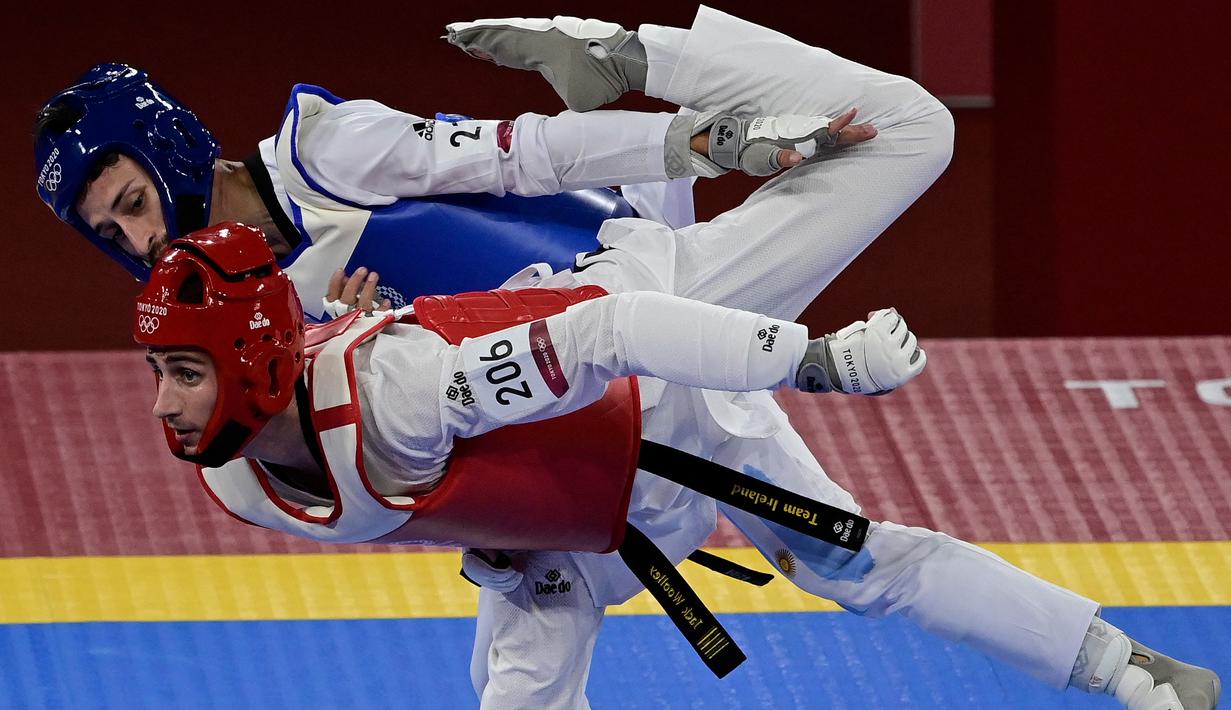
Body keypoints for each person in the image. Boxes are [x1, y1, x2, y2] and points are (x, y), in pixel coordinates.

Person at [134, 216, 1218, 710]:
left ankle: (1130, 669)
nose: (164, 406)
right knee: (517, 689)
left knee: (851, 563)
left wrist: (813, 359)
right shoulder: (239, 478)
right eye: (159, 374)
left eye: (183, 371)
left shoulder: (410, 389)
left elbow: (610, 328)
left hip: (672, 420)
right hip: (560, 528)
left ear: (251, 359)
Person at [33, 34, 856, 319]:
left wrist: (708, 145)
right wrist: (354, 352)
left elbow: (527, 152)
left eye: (134, 203)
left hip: (644, 259)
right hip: (562, 377)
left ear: (170, 148)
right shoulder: (233, 310)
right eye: (113, 234)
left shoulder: (330, 152)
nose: (144, 242)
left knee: (852, 564)